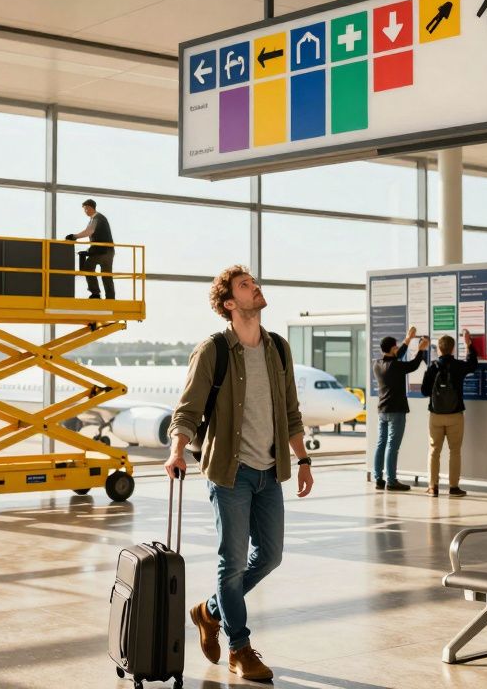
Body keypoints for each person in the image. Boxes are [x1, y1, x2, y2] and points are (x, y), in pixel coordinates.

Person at [164, 265, 312, 682]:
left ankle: (208, 612)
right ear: (230, 303)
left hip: (270, 471)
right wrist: (176, 451)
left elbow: (291, 412)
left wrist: (303, 460)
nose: (255, 287)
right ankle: (239, 648)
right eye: (246, 285)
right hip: (229, 473)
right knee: (231, 563)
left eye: (254, 282)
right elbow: (187, 411)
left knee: (270, 556)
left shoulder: (278, 348)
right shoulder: (212, 351)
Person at [420, 330, 478, 498]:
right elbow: (473, 364)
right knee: (455, 451)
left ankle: (433, 487)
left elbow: (424, 391)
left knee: (434, 451)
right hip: (455, 414)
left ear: (439, 349)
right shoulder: (458, 366)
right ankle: (453, 487)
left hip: (435, 415)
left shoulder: (432, 367)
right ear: (453, 349)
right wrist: (469, 345)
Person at [372, 327, 428, 492]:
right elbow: (413, 365)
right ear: (392, 349)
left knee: (381, 444)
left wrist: (407, 339)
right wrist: (421, 350)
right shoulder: (396, 366)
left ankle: (378, 479)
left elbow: (397, 356)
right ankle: (392, 481)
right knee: (392, 446)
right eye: (396, 347)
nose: (398, 348)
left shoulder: (377, 364)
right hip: (396, 411)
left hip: (382, 410)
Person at [64, 198, 115, 300]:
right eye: (84, 209)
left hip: (103, 251)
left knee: (89, 268)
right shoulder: (95, 219)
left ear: (91, 208)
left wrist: (74, 236)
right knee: (105, 274)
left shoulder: (97, 218)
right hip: (104, 250)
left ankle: (97, 294)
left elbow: (89, 231)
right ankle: (108, 297)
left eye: (86, 208)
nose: (85, 211)